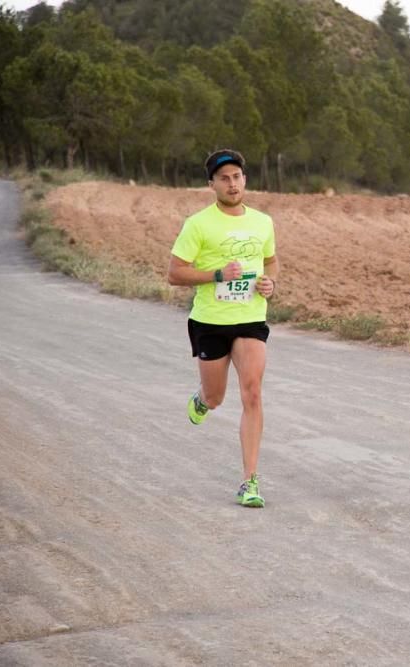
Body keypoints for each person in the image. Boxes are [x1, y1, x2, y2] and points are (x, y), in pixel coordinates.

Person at [167, 149, 279, 508]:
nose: (232, 184)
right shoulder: (198, 224)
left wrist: (270, 284)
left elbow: (271, 261)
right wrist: (215, 275)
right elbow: (175, 272)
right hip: (211, 321)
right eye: (224, 178)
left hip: (250, 318)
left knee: (252, 393)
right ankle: (202, 399)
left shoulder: (262, 222)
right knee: (217, 397)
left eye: (237, 177)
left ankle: (249, 481)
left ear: (245, 180)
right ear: (211, 184)